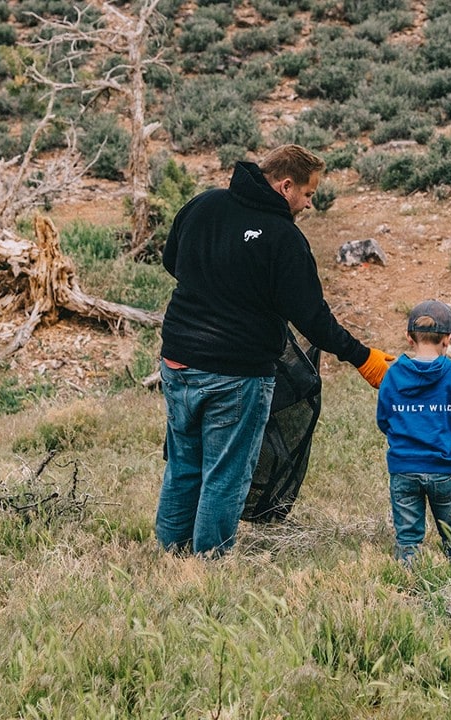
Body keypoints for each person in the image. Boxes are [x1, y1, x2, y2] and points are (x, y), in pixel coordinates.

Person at [155, 144, 394, 557]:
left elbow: (171, 261)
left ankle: (170, 555)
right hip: (236, 375)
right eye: (309, 194)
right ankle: (208, 565)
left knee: (183, 465)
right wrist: (363, 357)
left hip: (177, 363)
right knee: (225, 475)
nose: (309, 204)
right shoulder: (284, 237)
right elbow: (313, 319)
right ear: (286, 186)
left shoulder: (203, 204)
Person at [376, 300, 451, 565]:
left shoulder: (392, 375)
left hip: (403, 468)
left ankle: (408, 580)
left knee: (408, 536)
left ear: (409, 338)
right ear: (447, 340)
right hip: (444, 469)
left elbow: (383, 420)